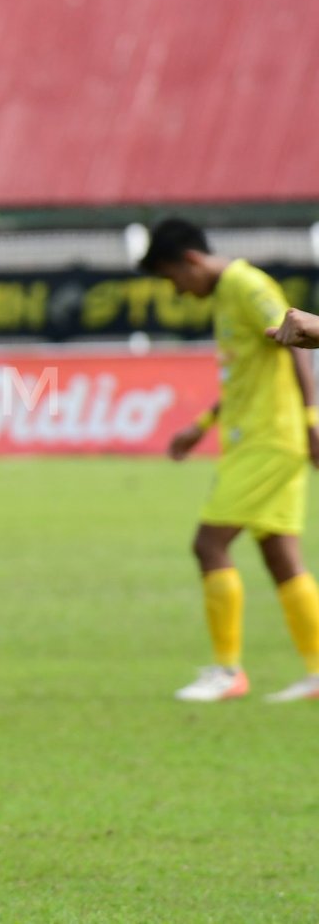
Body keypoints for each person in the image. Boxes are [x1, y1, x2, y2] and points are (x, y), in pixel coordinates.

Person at [142, 218, 319, 702]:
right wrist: (201, 425)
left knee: (209, 545)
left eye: (173, 277)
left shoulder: (247, 285)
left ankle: (227, 672)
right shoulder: (224, 295)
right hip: (261, 438)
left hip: (269, 439)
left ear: (191, 260)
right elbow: (246, 377)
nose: (178, 290)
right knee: (281, 556)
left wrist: (312, 419)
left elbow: (297, 343)